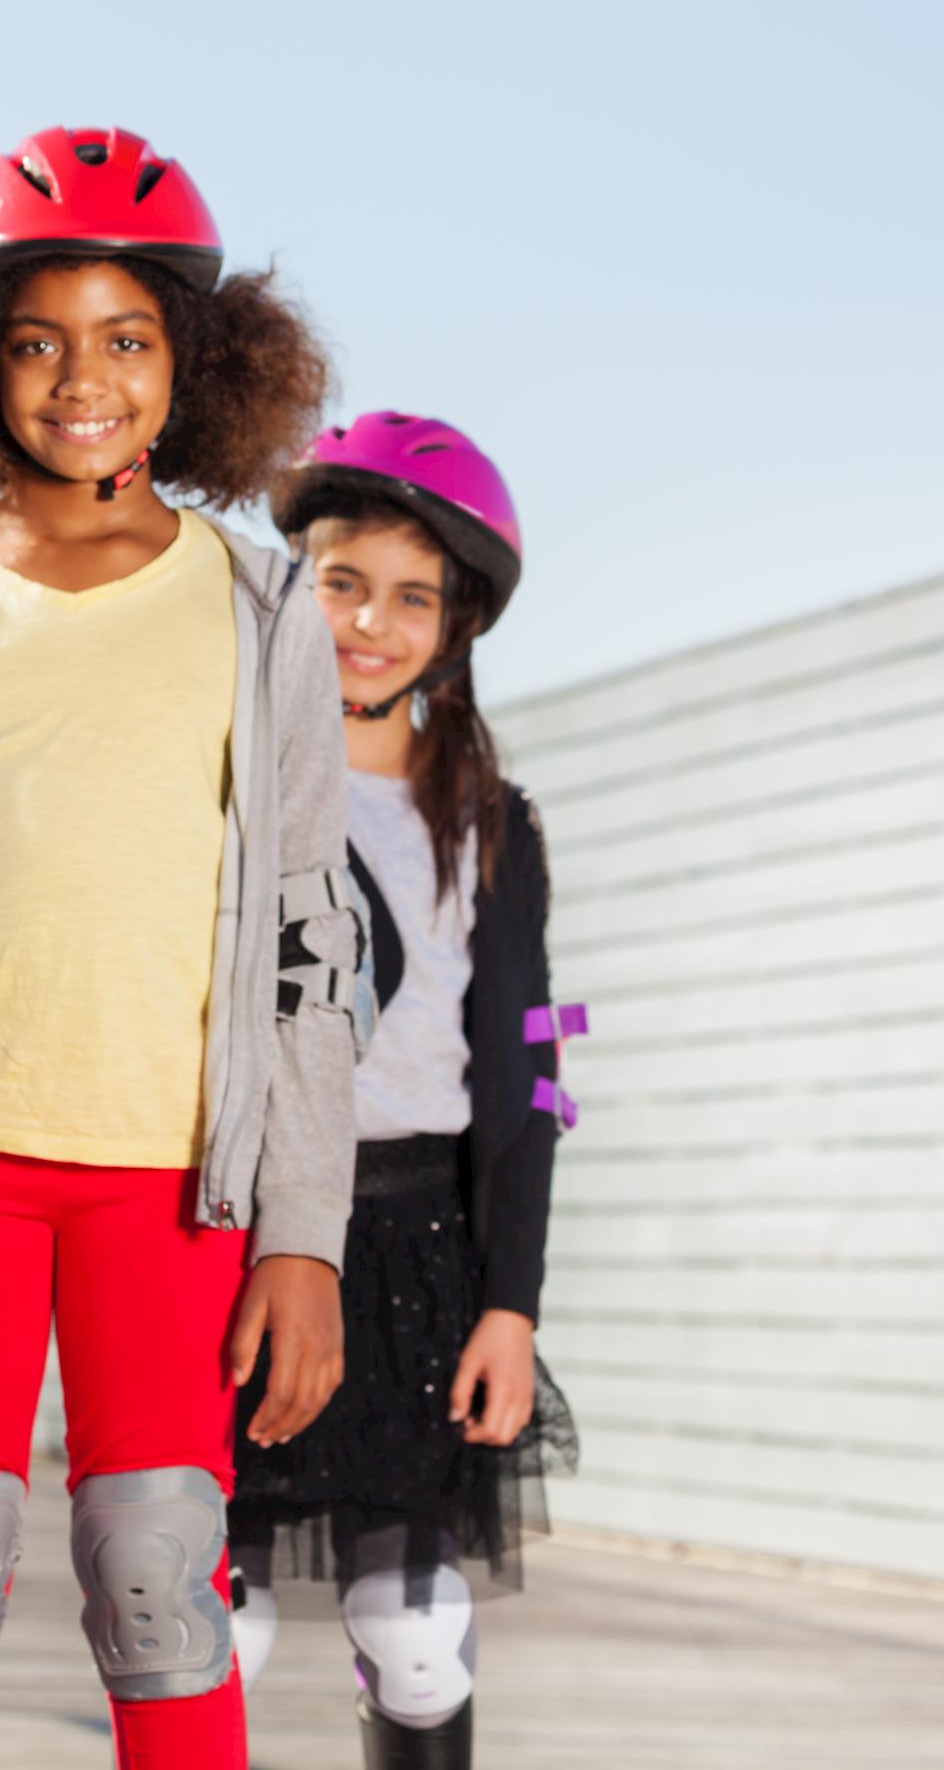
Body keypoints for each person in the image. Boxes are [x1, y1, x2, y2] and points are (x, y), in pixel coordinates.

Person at [0, 126, 367, 1770]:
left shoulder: (263, 611)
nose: (82, 379)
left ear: (191, 366)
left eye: (126, 340)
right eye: (40, 339)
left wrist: (308, 1237)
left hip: (171, 1170)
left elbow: (311, 942)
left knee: (158, 1587)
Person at [233, 413, 583, 1769]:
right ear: (292, 581)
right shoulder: (237, 781)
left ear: (458, 626)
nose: (371, 623)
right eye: (341, 582)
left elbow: (522, 1077)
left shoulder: (489, 815)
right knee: (203, 1616)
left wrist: (513, 1304)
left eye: (412, 596)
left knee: (418, 1632)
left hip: (424, 1245)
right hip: (252, 1232)